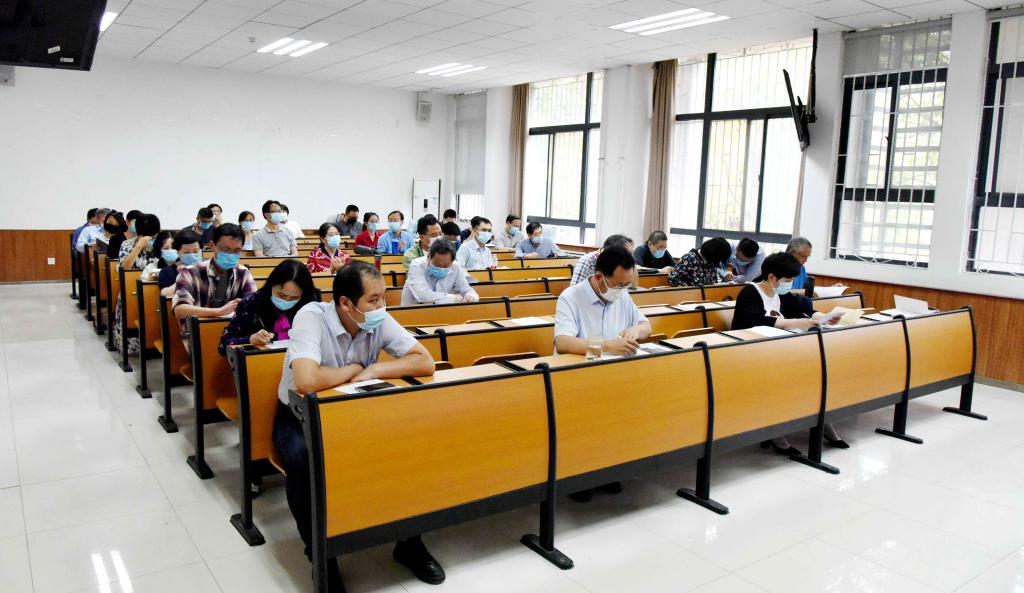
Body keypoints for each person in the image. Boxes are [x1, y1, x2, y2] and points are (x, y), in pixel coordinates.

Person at [273, 261, 443, 591]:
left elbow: (425, 361)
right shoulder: (312, 316)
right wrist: (353, 370)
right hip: (299, 418)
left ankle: (409, 542)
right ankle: (321, 555)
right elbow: (306, 381)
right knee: (303, 462)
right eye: (373, 299)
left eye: (383, 298)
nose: (382, 306)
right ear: (345, 304)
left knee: (408, 450)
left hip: (353, 414)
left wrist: (375, 370)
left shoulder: (376, 316)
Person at [554, 245, 651, 502]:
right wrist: (606, 346)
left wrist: (635, 330)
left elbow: (646, 325)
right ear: (599, 277)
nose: (622, 290)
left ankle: (606, 470)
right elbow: (563, 342)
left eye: (626, 284)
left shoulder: (622, 295)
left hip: (613, 375)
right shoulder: (571, 297)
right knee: (584, 426)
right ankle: (578, 478)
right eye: (618, 285)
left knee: (615, 422)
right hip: (577, 377)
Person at [731, 252, 846, 452]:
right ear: (772, 277)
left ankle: (820, 421)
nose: (790, 284)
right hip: (748, 355)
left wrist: (818, 319)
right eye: (787, 280)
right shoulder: (750, 293)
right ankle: (774, 431)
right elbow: (754, 323)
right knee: (785, 379)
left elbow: (797, 311)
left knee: (813, 374)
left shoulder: (776, 294)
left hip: (774, 352)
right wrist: (793, 323)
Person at [172, 223, 257, 352]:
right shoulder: (190, 272)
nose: (231, 255)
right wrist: (219, 312)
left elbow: (254, 305)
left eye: (237, 251)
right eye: (226, 250)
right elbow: (179, 310)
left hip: (234, 336)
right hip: (198, 338)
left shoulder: (243, 273)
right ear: (212, 246)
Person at [219, 260, 316, 354]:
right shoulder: (251, 303)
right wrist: (250, 339)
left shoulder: (309, 307)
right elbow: (223, 345)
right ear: (272, 285)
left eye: (294, 298)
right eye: (281, 295)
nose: (286, 301)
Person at [116, 214, 163, 354]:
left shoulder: (161, 244)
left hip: (156, 291)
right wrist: (137, 247)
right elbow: (123, 269)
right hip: (131, 292)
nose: (151, 239)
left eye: (154, 236)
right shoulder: (127, 244)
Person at [401, 239, 479, 305]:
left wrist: (471, 296)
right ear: (428, 257)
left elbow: (466, 290)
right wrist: (453, 298)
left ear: (452, 261)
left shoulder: (455, 266)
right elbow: (424, 296)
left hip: (441, 312)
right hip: (414, 312)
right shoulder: (416, 265)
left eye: (445, 266)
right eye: (437, 265)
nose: (441, 268)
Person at [668, 237, 732, 286]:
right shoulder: (690, 258)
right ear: (714, 255)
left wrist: (725, 279)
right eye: (719, 259)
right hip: (689, 295)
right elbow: (672, 279)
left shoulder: (712, 262)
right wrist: (689, 288)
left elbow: (714, 280)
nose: (720, 262)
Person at [159, 230, 203, 296]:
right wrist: (183, 275)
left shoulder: (205, 269)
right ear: (178, 252)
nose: (192, 255)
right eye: (187, 252)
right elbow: (165, 294)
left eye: (195, 251)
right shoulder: (167, 272)